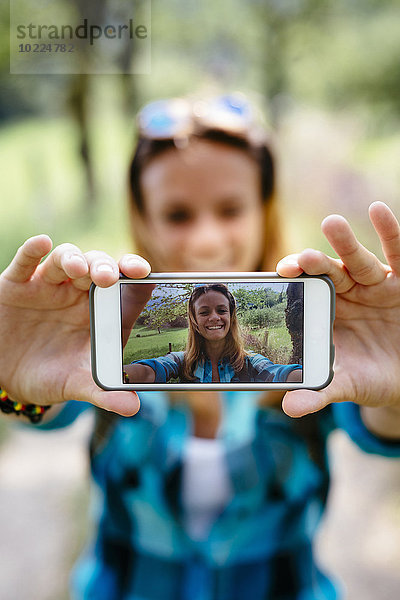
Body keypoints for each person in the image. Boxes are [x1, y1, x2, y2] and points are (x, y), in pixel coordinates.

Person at [1, 93, 400, 600]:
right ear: (143, 220)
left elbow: (379, 429)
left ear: (265, 208)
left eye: (231, 209)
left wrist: (397, 391)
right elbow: (46, 408)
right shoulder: (119, 328)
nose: (207, 239)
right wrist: (9, 377)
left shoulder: (311, 335)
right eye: (178, 214)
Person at [123, 282, 302, 383]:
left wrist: (308, 378)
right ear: (194, 319)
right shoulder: (181, 361)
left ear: (231, 316)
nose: (214, 317)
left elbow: (278, 373)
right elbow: (148, 372)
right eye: (204, 312)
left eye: (222, 310)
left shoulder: (250, 362)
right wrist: (120, 375)